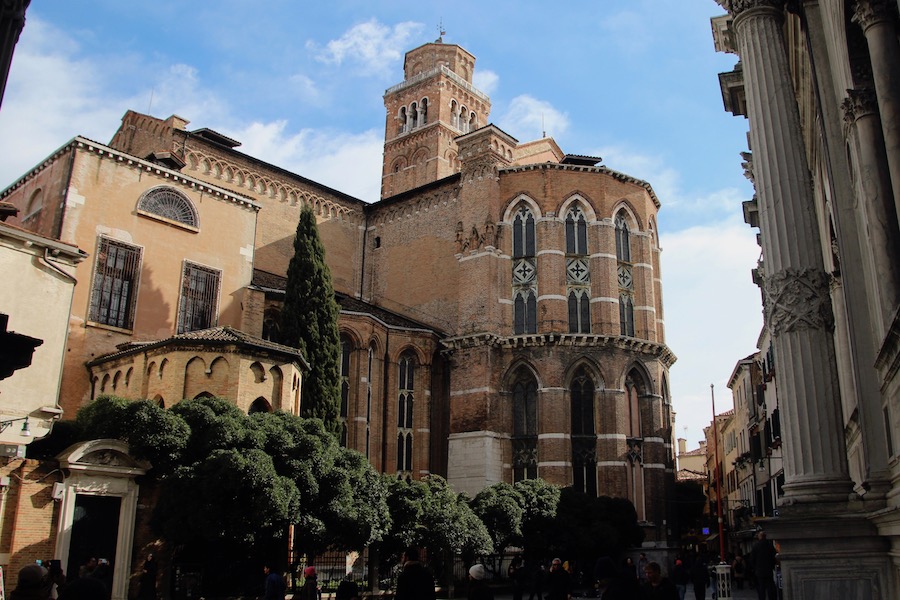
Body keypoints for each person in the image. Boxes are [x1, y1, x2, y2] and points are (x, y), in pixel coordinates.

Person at [750, 531, 777, 600]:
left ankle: (762, 598)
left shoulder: (756, 546)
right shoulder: (769, 546)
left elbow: (752, 558)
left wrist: (754, 567)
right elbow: (774, 556)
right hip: (768, 569)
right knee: (770, 586)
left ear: (760, 537)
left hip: (759, 570)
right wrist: (772, 565)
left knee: (761, 587)